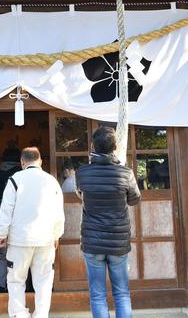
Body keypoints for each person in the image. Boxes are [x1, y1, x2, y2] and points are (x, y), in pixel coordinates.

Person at [76, 126, 141, 318]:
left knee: (97, 295)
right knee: (122, 293)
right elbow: (134, 199)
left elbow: (81, 194)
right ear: (115, 147)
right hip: (118, 242)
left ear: (92, 146)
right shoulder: (125, 173)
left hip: (93, 241)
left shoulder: (82, 173)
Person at [0, 146, 65, 318]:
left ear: (22, 162)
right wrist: (56, 235)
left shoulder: (15, 179)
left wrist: (2, 234)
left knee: (16, 280)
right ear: (40, 161)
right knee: (43, 282)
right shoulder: (51, 181)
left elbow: (6, 209)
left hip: (19, 240)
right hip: (45, 239)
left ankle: (19, 315)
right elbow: (59, 212)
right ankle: (41, 315)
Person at [0, 148, 21, 291]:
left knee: (3, 257)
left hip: (0, 221)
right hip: (17, 222)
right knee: (21, 257)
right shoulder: (19, 174)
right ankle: (19, 288)